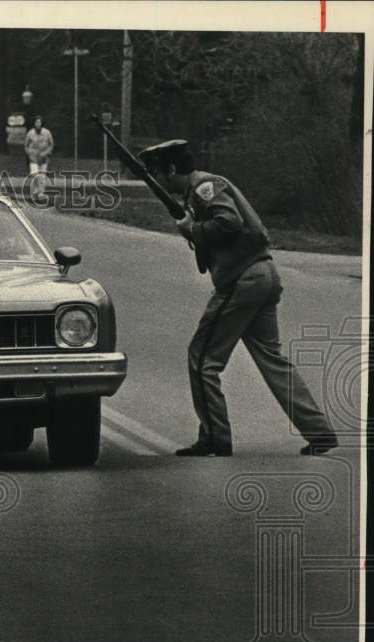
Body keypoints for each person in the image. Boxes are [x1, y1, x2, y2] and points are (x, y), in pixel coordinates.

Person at [137, 139, 338, 457]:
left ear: (172, 170)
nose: (156, 181)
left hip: (242, 279)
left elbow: (228, 223)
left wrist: (194, 229)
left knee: (202, 358)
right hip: (261, 274)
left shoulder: (204, 187)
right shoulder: (203, 187)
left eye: (156, 174)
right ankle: (319, 432)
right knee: (272, 360)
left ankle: (215, 438)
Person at [24, 116, 54, 200]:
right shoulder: (30, 133)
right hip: (33, 157)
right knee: (35, 175)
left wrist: (46, 153)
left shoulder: (47, 133)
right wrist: (30, 154)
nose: (38, 124)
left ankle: (40, 193)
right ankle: (34, 192)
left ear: (42, 123)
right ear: (34, 123)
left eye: (39, 122)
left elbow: (51, 144)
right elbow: (26, 145)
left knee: (42, 176)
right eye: (36, 122)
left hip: (44, 157)